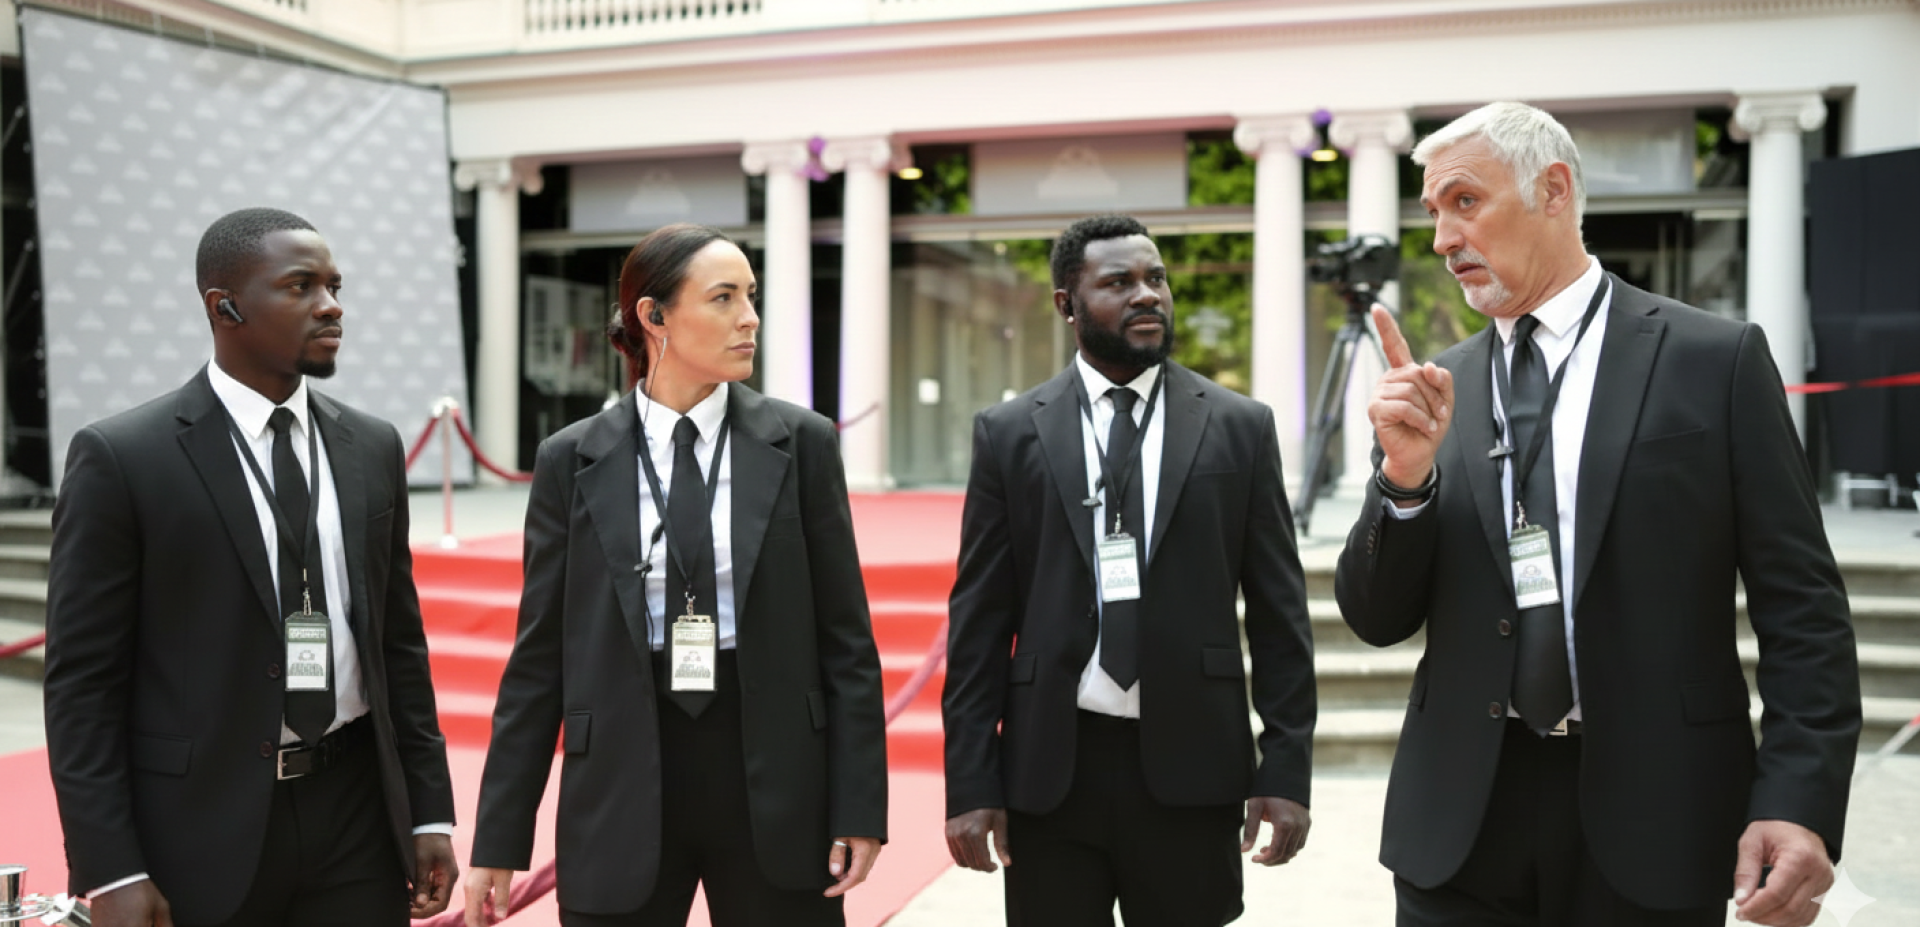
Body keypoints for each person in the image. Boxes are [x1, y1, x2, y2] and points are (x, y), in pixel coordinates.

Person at [1336, 102, 1861, 926]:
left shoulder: (1712, 361)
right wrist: (1404, 482)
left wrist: (1799, 799)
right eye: (1433, 211)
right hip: (1461, 823)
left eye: (1464, 202)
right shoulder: (1438, 388)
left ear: (1553, 190)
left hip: (1659, 815)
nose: (1440, 238)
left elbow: (1804, 609)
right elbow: (1375, 617)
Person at [43, 207, 460, 927]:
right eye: (301, 286)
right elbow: (82, 682)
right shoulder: (124, 457)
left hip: (357, 812)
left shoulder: (372, 444)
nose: (331, 305)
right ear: (224, 305)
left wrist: (430, 813)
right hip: (201, 827)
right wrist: (111, 866)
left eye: (333, 285)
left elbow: (399, 644)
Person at [464, 223, 888, 927]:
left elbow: (847, 639)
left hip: (775, 780)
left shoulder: (803, 442)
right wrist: (499, 837)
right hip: (622, 779)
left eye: (750, 296)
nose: (749, 317)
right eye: (723, 298)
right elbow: (538, 660)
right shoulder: (571, 459)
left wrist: (859, 806)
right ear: (653, 316)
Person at [942, 214, 1316, 925]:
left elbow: (1279, 615)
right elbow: (980, 620)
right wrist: (970, 779)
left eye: (1156, 278)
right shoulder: (1010, 431)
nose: (1147, 295)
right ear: (1067, 304)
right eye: (1118, 282)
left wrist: (1286, 767)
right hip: (1050, 773)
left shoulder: (1240, 425)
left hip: (1193, 768)